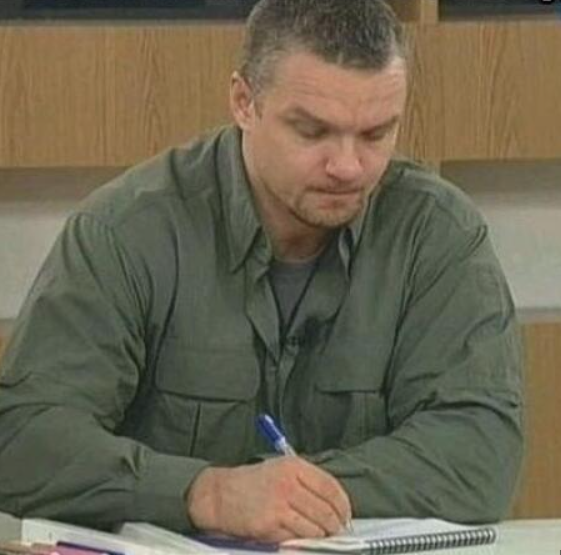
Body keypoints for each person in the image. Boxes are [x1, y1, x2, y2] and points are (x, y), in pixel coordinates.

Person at [0, 0, 523, 543]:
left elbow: (479, 453)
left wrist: (293, 494)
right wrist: (208, 493)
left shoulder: (438, 235)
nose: (348, 166)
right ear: (244, 102)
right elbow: (22, 440)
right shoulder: (126, 232)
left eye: (375, 134)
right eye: (312, 131)